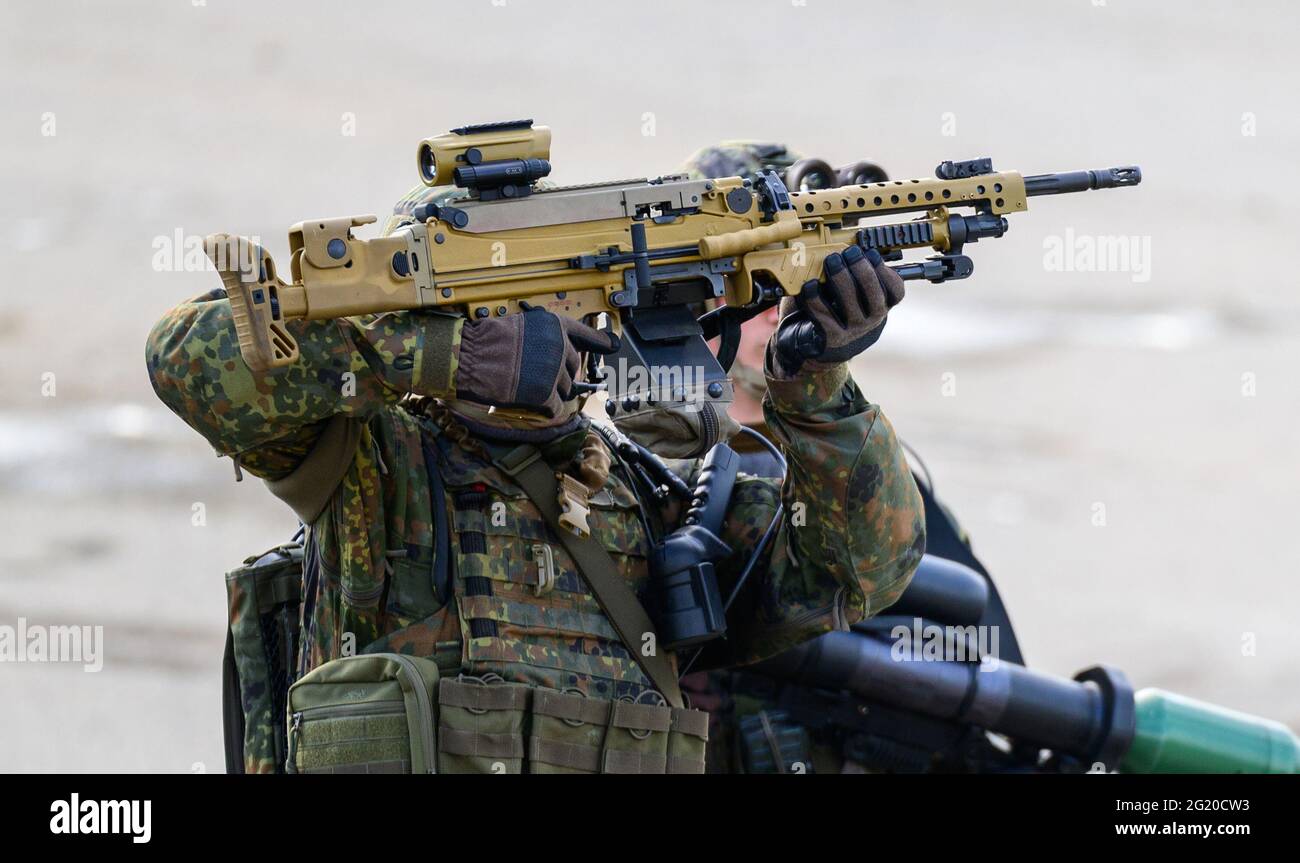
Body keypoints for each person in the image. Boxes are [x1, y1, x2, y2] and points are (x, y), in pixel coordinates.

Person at [146, 145, 925, 773]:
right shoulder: (373, 467)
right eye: (513, 294)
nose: (558, 314)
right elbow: (186, 360)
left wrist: (818, 388)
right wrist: (443, 353)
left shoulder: (643, 498)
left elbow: (861, 568)